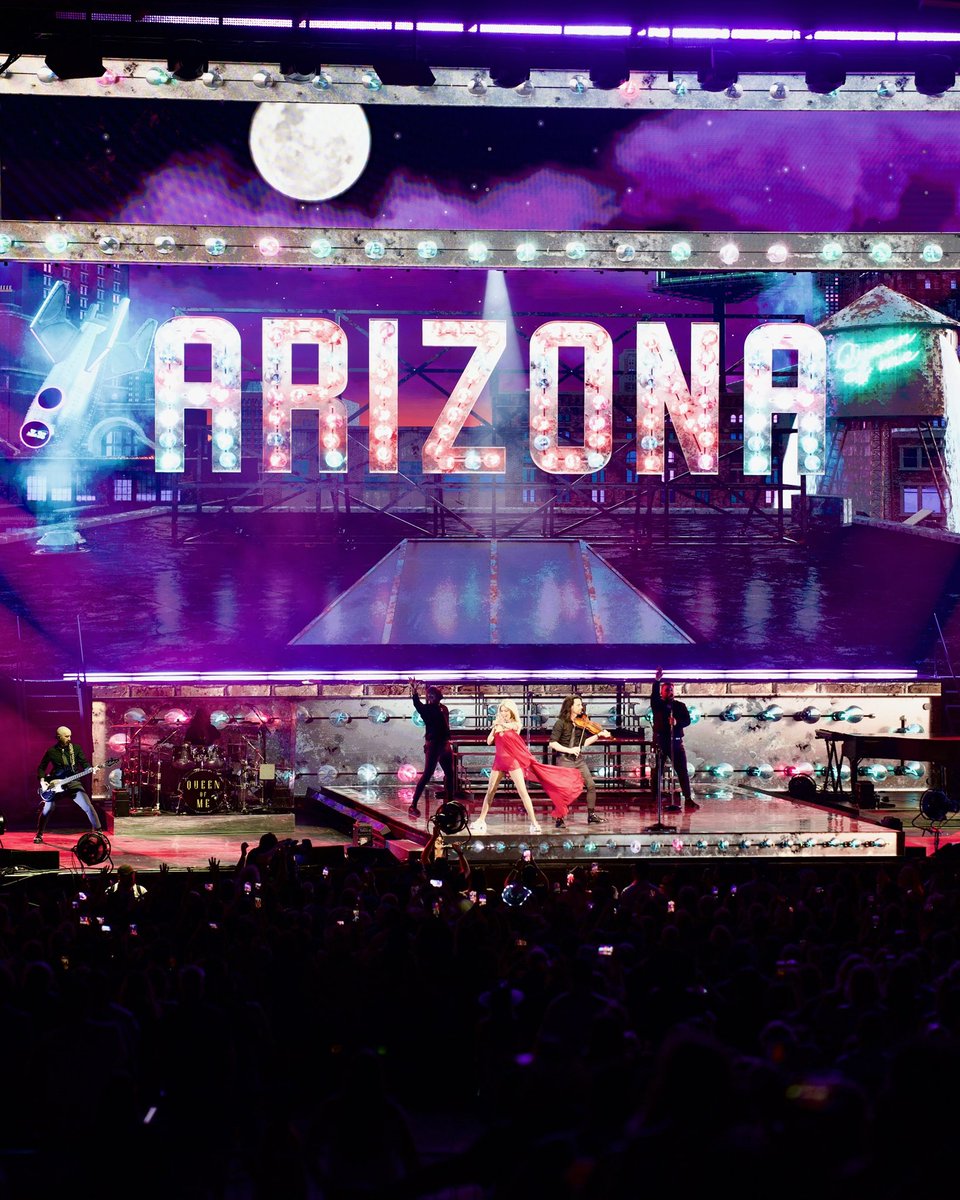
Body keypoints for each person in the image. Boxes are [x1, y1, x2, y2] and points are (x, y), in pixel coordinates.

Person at [473, 701, 583, 835]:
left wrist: (500, 724)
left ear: (512, 712)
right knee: (490, 791)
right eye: (502, 711)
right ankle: (481, 820)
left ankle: (534, 823)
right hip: (499, 761)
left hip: (512, 762)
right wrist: (495, 728)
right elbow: (489, 741)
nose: (504, 713)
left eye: (506, 711)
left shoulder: (515, 724)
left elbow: (514, 727)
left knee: (523, 792)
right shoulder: (498, 726)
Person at [548, 695, 612, 829]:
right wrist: (570, 750)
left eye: (581, 705)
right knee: (563, 791)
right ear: (570, 707)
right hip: (565, 759)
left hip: (578, 760)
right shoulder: (560, 723)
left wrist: (598, 735)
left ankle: (591, 815)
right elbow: (552, 743)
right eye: (578, 705)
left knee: (591, 785)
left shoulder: (580, 723)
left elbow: (583, 743)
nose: (581, 707)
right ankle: (559, 818)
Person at [35, 725, 104, 842]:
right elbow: (41, 768)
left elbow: (84, 763)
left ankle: (99, 832)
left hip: (73, 783)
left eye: (70, 736)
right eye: (66, 736)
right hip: (55, 785)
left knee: (88, 806)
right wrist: (43, 782)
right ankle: (39, 834)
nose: (69, 738)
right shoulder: (51, 751)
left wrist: (90, 769)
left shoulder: (76, 749)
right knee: (47, 809)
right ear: (58, 737)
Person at [651, 669, 699, 810]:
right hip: (661, 741)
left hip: (676, 742)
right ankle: (655, 798)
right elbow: (654, 696)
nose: (669, 692)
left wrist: (677, 722)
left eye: (671, 689)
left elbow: (687, 720)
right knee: (656, 772)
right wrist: (656, 681)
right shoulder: (657, 705)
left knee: (682, 770)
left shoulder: (680, 706)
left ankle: (688, 799)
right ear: (662, 691)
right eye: (666, 690)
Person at [408, 680, 455, 819]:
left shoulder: (443, 708)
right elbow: (417, 704)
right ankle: (413, 804)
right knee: (427, 775)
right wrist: (414, 692)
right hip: (434, 745)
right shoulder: (427, 710)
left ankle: (450, 803)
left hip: (444, 744)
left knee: (450, 775)